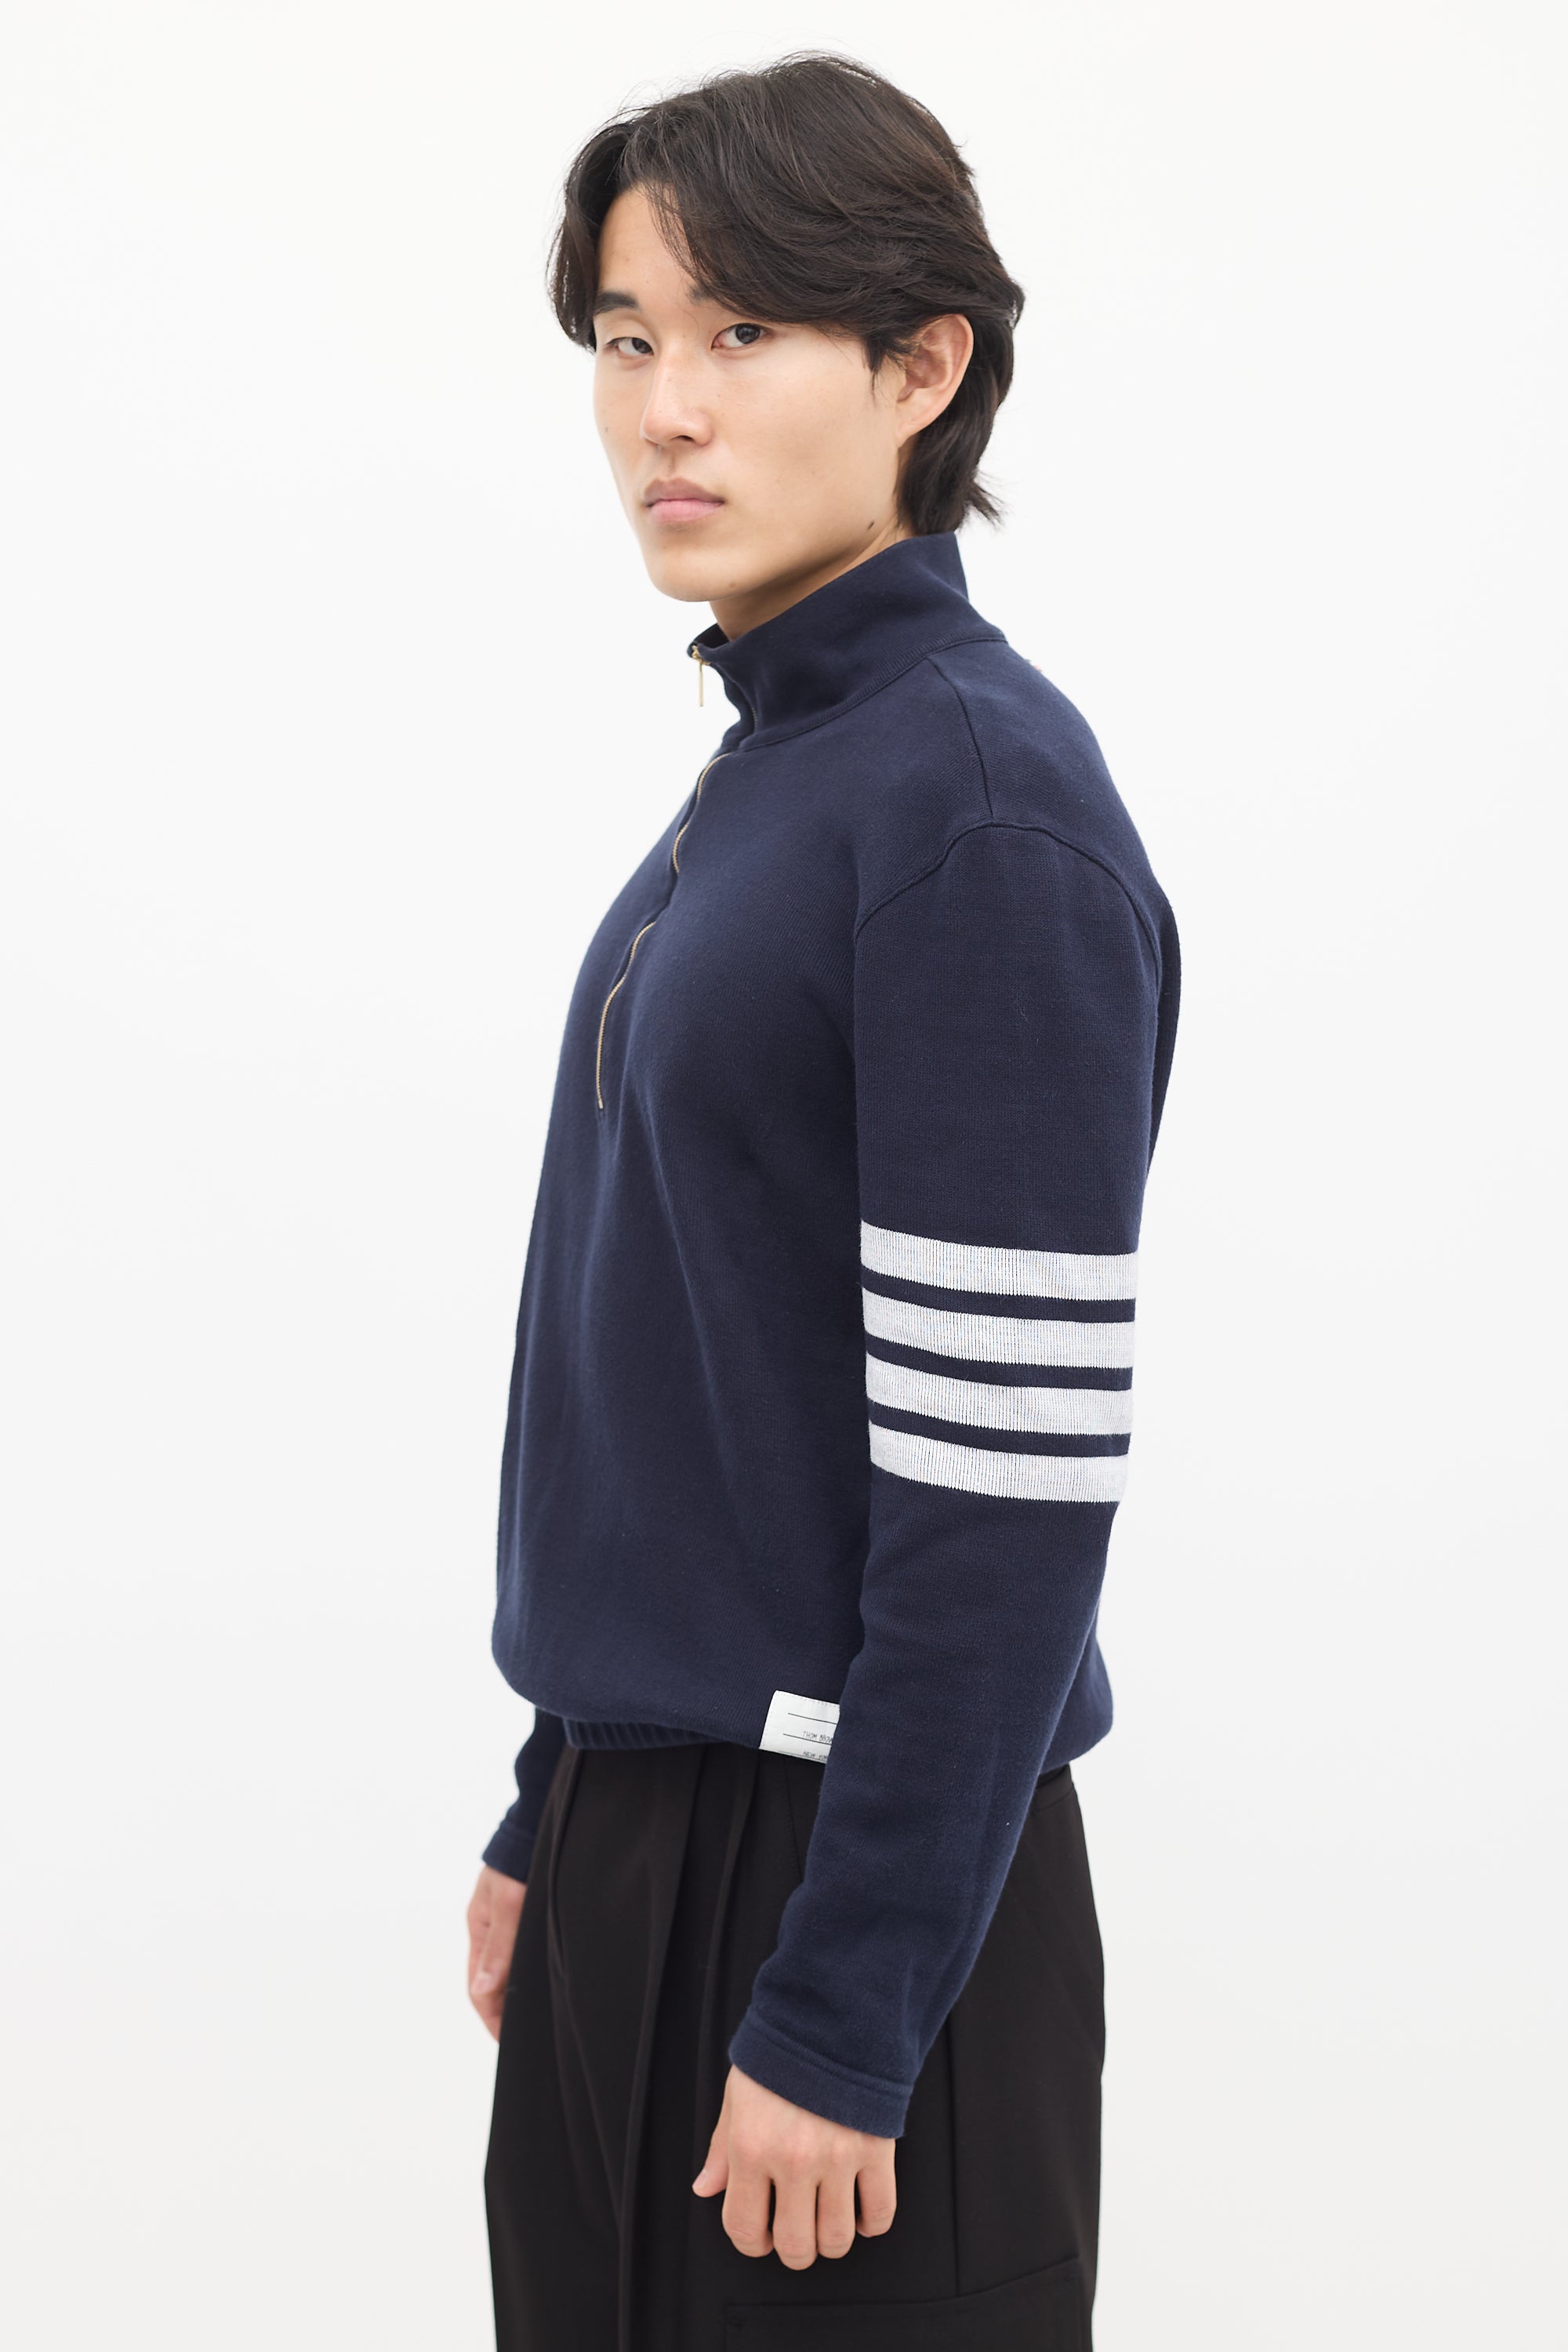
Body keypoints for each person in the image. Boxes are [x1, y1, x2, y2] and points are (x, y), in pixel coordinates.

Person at [465, 49, 1179, 2352]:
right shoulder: (777, 770)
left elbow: (1005, 1501)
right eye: (625, 338)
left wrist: (849, 2013)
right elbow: (695, 1364)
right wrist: (556, 1798)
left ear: (923, 365)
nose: (664, 408)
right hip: (647, 1838)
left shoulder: (976, 814)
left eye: (743, 330)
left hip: (851, 1903)